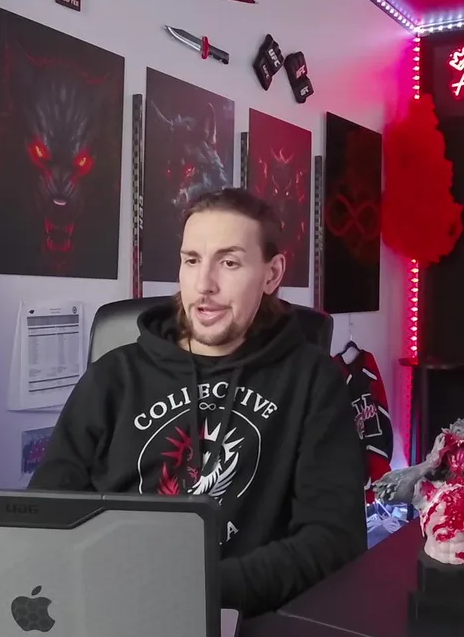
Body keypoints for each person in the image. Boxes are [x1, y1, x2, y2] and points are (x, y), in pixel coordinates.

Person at [28, 188, 367, 615]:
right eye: (191, 260)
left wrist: (198, 589)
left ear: (272, 274)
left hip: (239, 617)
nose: (204, 285)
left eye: (229, 262)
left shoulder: (312, 381)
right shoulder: (113, 376)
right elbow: (45, 512)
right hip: (113, 608)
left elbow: (334, 539)